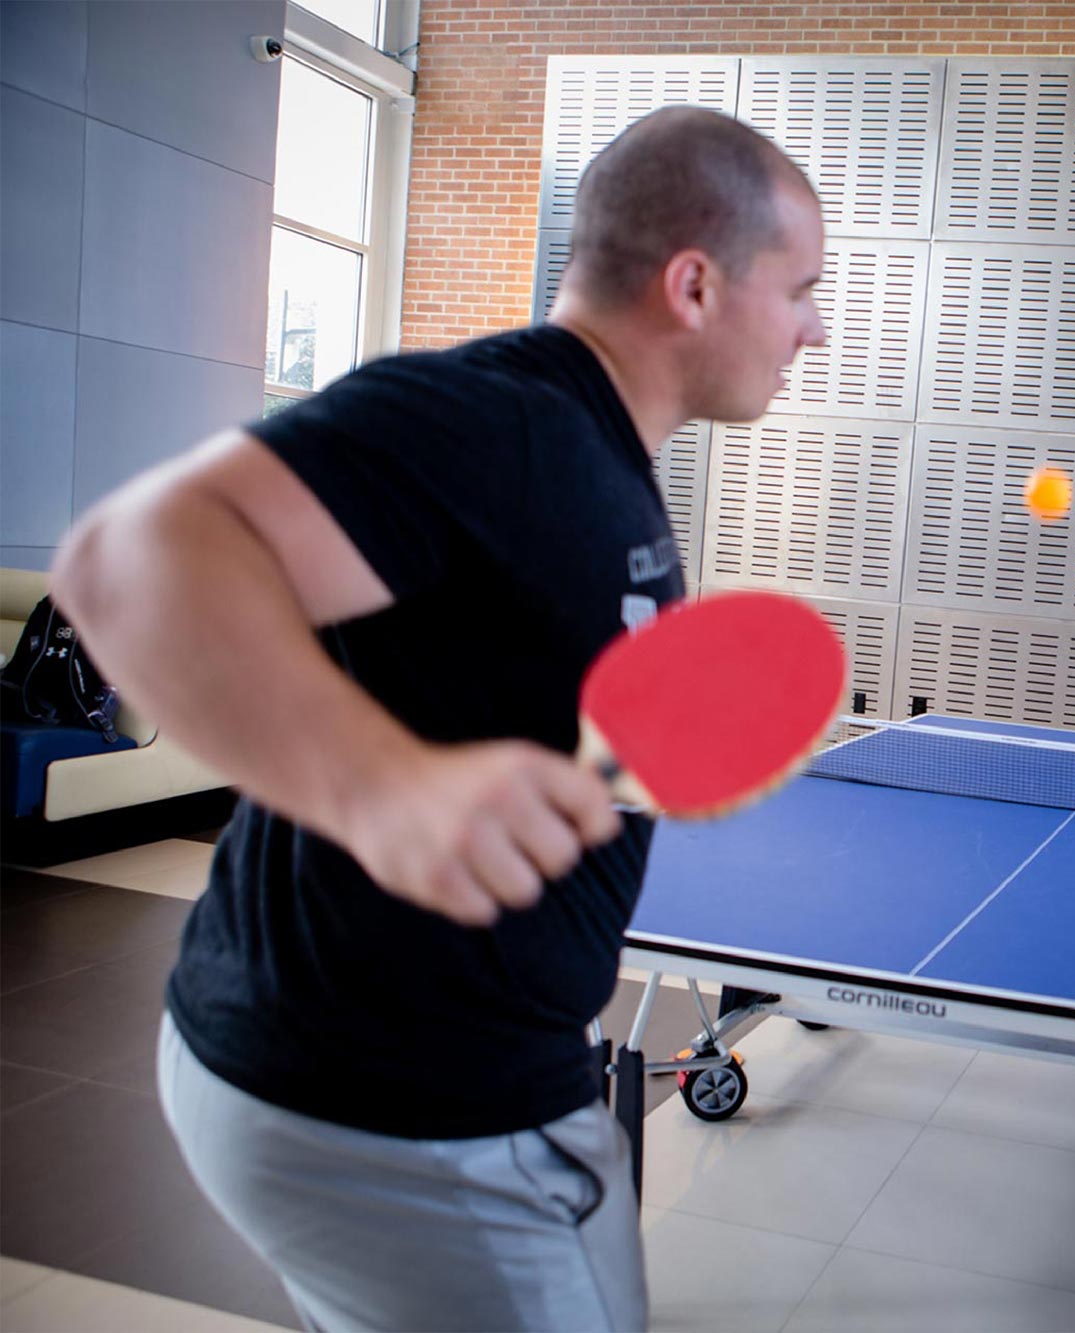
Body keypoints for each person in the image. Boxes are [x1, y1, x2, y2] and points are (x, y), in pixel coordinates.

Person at [49, 107, 826, 1332]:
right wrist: (380, 785)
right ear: (693, 284)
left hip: (391, 1065)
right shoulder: (500, 421)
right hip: (410, 1108)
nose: (813, 329)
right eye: (800, 290)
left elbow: (484, 665)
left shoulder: (594, 454)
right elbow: (125, 560)